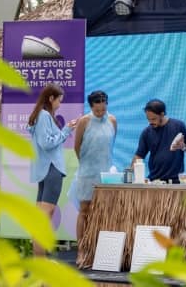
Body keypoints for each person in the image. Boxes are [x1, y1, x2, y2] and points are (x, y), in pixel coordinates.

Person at [28, 83, 77, 256]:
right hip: (52, 169)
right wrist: (66, 130)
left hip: (45, 170)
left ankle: (39, 260)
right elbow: (46, 143)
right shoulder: (44, 116)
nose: (59, 104)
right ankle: (40, 262)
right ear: (51, 98)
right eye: (59, 101)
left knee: (43, 218)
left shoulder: (40, 116)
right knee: (44, 219)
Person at [71, 90, 117, 268]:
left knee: (102, 212)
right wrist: (86, 166)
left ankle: (99, 251)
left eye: (103, 110)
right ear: (91, 107)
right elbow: (77, 146)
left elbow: (110, 145)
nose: (101, 113)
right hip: (87, 173)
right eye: (97, 111)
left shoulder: (112, 120)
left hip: (105, 174)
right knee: (85, 210)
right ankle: (82, 251)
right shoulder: (84, 121)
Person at [132, 99, 186, 183]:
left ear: (162, 114)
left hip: (176, 181)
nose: (150, 122)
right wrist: (128, 173)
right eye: (148, 119)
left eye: (153, 119)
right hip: (155, 180)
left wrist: (183, 147)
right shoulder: (146, 132)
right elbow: (139, 156)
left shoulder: (179, 126)